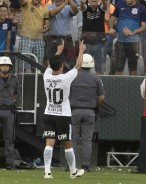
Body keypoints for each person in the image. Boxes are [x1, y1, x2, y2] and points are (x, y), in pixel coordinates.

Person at [42, 40, 85, 179]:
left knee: (49, 143)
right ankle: (73, 171)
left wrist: (58, 52)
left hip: (49, 113)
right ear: (61, 66)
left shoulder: (46, 76)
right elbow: (78, 65)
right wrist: (81, 50)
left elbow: (50, 65)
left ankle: (47, 172)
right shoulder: (66, 78)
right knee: (67, 143)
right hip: (63, 115)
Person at [70, 54, 105, 172]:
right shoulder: (96, 79)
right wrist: (94, 106)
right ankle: (85, 165)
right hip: (90, 112)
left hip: (74, 111)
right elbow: (102, 98)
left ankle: (72, 165)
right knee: (87, 140)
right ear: (91, 65)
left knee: (74, 139)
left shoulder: (72, 77)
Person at [108, 0, 146, 76]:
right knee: (118, 69)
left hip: (134, 43)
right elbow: (112, 19)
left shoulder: (141, 8)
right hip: (120, 42)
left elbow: (144, 27)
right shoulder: (120, 5)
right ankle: (117, 87)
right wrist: (110, 28)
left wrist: (132, 32)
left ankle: (132, 87)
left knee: (133, 69)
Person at [46, 0, 78, 70]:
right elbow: (52, 13)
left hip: (67, 39)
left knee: (71, 63)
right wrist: (64, 4)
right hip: (53, 39)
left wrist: (70, 1)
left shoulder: (69, 7)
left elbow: (76, 11)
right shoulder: (49, 7)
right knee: (52, 63)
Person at [19, 0, 49, 72]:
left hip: (39, 39)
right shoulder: (26, 4)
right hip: (26, 37)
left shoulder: (45, 9)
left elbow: (47, 24)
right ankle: (22, 82)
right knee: (23, 65)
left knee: (37, 66)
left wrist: (46, 27)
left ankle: (36, 83)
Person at [0, 56, 18, 170]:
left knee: (9, 139)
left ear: (10, 67)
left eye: (6, 65)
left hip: (8, 111)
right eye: (2, 65)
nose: (4, 67)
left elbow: (16, 93)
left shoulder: (15, 79)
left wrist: (11, 102)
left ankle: (10, 165)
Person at [80, 0, 107, 74]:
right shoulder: (85, 7)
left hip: (99, 42)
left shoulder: (101, 7)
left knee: (99, 67)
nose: (93, 0)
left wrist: (104, 1)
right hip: (86, 42)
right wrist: (82, 2)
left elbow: (105, 6)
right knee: (85, 65)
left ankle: (100, 83)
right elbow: (82, 7)